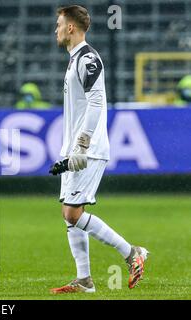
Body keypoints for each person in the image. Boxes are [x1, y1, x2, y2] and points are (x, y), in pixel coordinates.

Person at [50, 5, 149, 294]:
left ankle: (132, 253)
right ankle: (84, 280)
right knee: (68, 214)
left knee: (72, 213)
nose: (55, 29)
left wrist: (81, 144)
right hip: (75, 149)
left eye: (59, 24)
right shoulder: (74, 60)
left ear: (71, 27)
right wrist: (67, 149)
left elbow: (95, 102)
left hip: (88, 149)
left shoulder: (88, 58)